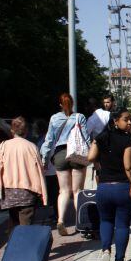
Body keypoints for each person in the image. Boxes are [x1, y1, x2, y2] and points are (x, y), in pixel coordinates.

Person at [87, 108, 131, 261]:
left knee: (106, 221)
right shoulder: (127, 139)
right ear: (115, 121)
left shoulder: (101, 137)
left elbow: (90, 157)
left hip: (103, 188)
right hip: (122, 187)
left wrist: (97, 146)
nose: (129, 122)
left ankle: (106, 250)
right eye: (126, 119)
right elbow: (128, 166)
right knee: (122, 225)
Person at [40, 93, 91, 236]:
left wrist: (45, 159)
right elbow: (86, 138)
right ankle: (80, 223)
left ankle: (60, 220)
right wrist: (91, 155)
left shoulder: (54, 118)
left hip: (60, 154)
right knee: (77, 191)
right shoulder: (80, 117)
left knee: (63, 191)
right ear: (73, 103)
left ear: (60, 105)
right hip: (76, 154)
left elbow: (49, 140)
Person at [0, 117, 48, 229]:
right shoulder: (32, 147)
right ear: (26, 131)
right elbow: (39, 170)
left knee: (14, 222)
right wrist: (43, 193)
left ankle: (14, 239)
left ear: (12, 130)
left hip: (9, 190)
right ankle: (24, 239)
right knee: (26, 224)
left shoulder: (3, 146)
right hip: (28, 190)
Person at [34, 119, 59, 223]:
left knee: (52, 195)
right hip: (54, 170)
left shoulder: (43, 140)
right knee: (55, 194)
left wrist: (43, 164)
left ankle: (56, 215)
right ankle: (56, 214)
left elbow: (43, 154)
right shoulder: (52, 138)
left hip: (47, 171)